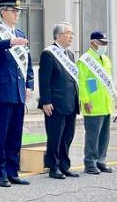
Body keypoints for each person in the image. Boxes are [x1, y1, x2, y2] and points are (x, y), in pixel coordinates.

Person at [0, 0, 34, 187]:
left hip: (19, 92)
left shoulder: (20, 32)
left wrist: (29, 85)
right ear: (4, 11)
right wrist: (9, 42)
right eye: (14, 11)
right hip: (3, 91)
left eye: (18, 11)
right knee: (1, 134)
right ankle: (0, 173)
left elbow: (27, 62)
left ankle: (13, 171)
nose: (17, 14)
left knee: (15, 134)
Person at [38, 22, 80, 179]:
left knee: (68, 136)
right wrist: (45, 101)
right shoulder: (49, 54)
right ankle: (53, 167)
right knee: (55, 136)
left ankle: (64, 165)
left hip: (70, 102)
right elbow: (44, 80)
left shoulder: (70, 55)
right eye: (69, 33)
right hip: (55, 104)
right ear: (59, 35)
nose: (72, 36)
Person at [77, 30, 117, 175]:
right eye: (102, 43)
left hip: (106, 104)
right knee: (92, 136)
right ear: (93, 43)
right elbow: (81, 82)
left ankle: (101, 160)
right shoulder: (85, 59)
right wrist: (85, 100)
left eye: (106, 43)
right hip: (93, 104)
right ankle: (90, 162)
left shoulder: (106, 59)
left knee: (104, 136)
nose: (104, 45)